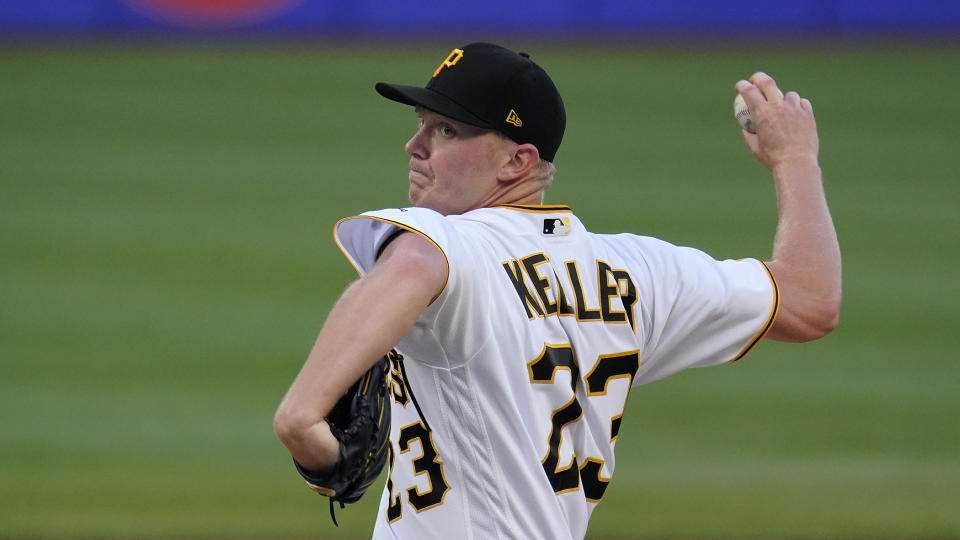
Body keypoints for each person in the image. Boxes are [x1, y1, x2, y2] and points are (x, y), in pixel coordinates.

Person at [273, 42, 841, 540]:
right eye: (422, 122)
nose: (415, 146)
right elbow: (811, 302)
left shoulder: (454, 244)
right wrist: (796, 161)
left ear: (517, 161)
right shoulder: (638, 270)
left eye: (446, 130)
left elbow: (414, 261)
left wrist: (304, 422)